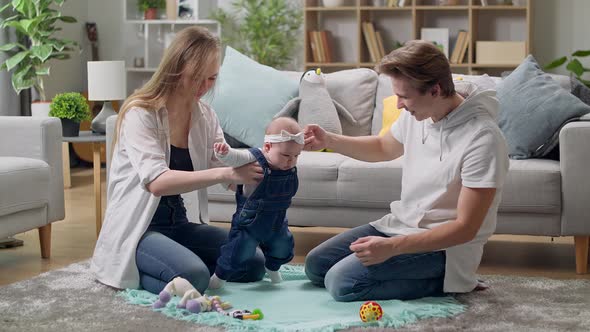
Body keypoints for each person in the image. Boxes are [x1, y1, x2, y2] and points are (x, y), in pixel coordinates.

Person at [303, 40, 509, 302]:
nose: (398, 104)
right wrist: (329, 141)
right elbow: (382, 147)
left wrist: (392, 248)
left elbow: (465, 229)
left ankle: (452, 282)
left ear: (435, 90)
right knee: (316, 265)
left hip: (446, 248)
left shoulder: (483, 138)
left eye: (404, 96)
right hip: (400, 227)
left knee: (342, 283)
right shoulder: (418, 114)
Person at [90, 26, 266, 294]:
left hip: (178, 223)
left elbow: (224, 168)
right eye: (197, 77)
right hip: (140, 227)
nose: (204, 87)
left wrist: (260, 174)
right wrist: (227, 175)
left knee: (253, 261)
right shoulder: (141, 113)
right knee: (194, 275)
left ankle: (171, 269)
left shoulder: (205, 115)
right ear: (176, 67)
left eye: (212, 78)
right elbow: (158, 182)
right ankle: (157, 270)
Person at [208, 117, 303, 289]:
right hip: (249, 224)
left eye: (296, 156)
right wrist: (224, 153)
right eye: (286, 155)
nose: (291, 161)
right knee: (238, 251)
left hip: (276, 223)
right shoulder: (254, 157)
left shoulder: (287, 167)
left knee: (283, 247)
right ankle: (219, 278)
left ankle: (273, 268)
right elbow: (235, 157)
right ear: (267, 147)